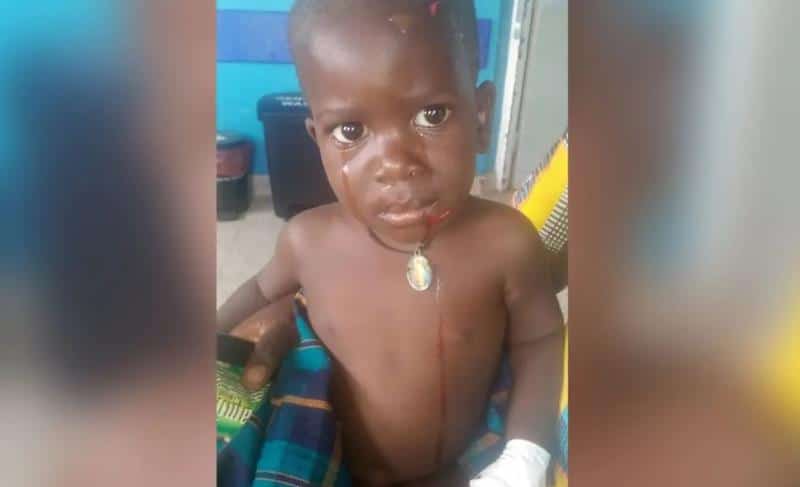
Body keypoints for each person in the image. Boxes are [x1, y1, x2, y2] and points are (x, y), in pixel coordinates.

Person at [218, 1, 564, 485]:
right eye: (351, 130)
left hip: (468, 467)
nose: (396, 162)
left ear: (482, 117)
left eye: (432, 115)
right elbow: (258, 293)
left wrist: (525, 454)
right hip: (332, 466)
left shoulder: (506, 243)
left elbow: (541, 341)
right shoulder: (307, 241)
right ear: (317, 139)